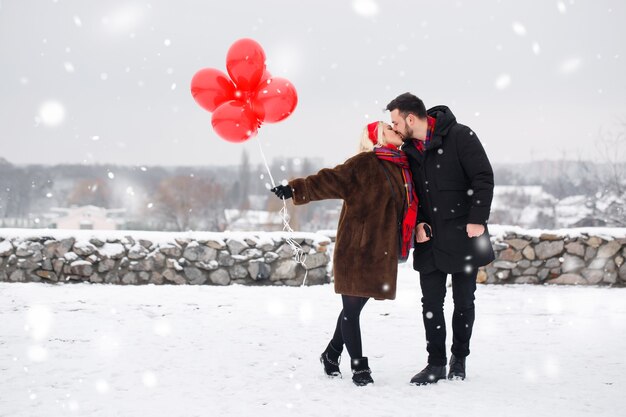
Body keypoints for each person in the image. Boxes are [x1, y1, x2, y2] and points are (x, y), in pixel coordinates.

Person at [271, 121, 418, 386]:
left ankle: (331, 353)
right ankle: (360, 368)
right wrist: (294, 189)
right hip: (356, 249)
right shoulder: (364, 162)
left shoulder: (402, 167)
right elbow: (330, 179)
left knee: (356, 306)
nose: (396, 129)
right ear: (377, 138)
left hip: (380, 251)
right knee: (351, 309)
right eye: (389, 128)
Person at [386, 92, 495, 385]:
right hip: (430, 238)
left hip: (464, 235)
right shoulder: (409, 150)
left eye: (395, 121)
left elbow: (483, 177)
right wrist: (419, 222)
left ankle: (458, 359)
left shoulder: (460, 136)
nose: (394, 127)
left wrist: (477, 220)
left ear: (411, 118)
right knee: (431, 304)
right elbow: (411, 194)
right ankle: (435, 363)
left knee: (464, 302)